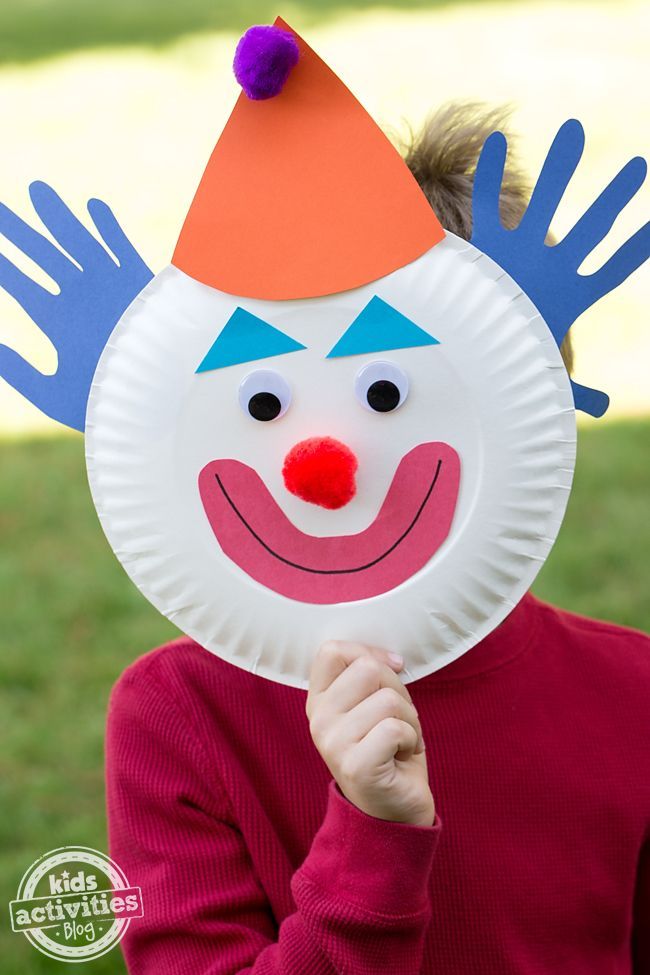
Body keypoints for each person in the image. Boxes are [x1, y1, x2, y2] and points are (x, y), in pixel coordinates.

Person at [106, 103, 649, 974]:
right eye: (270, 402)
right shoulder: (178, 715)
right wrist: (372, 835)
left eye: (389, 394)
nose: (329, 462)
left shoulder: (635, 695)